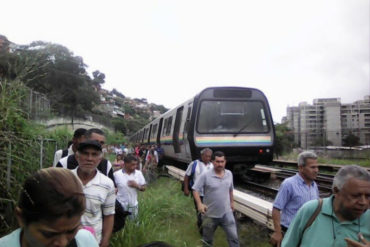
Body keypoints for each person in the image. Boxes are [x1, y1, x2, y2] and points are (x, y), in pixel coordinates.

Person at [0, 167, 98, 247]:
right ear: (21, 218)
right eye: (49, 234)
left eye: (71, 231)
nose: (63, 243)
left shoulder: (85, 241)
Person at [282, 165, 370, 247]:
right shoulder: (311, 210)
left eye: (368, 196)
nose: (363, 202)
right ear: (336, 191)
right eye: (355, 196)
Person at [270, 151, 319, 246]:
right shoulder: (289, 184)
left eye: (317, 167)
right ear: (301, 168)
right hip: (290, 232)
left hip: (308, 233)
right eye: (312, 167)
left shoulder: (314, 186)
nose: (316, 170)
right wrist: (277, 232)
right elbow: (276, 209)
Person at [72, 140, 116, 247]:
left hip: (92, 241)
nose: (89, 159)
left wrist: (105, 241)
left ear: (100, 159)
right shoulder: (65, 178)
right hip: (65, 239)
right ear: (77, 157)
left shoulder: (107, 184)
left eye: (94, 155)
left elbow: (109, 215)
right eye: (85, 154)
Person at [192, 151, 239, 247]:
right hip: (210, 214)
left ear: (225, 161)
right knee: (207, 241)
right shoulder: (205, 175)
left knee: (234, 238)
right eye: (217, 161)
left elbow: (230, 189)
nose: (220, 164)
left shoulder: (229, 174)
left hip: (227, 213)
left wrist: (232, 202)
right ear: (213, 162)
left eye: (222, 161)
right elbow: (195, 189)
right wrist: (199, 204)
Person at [183, 148, 213, 234]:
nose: (208, 158)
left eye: (209, 157)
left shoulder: (212, 165)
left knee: (208, 213)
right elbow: (187, 176)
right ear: (202, 155)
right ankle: (202, 232)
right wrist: (186, 188)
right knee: (200, 212)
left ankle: (207, 229)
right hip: (198, 194)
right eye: (206, 156)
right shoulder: (194, 164)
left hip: (209, 194)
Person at [114, 154, 146, 220]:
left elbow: (144, 188)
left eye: (136, 164)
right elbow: (113, 189)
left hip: (133, 205)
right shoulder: (116, 174)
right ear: (125, 164)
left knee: (133, 225)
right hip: (120, 205)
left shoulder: (138, 173)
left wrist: (137, 186)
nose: (135, 166)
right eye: (132, 164)